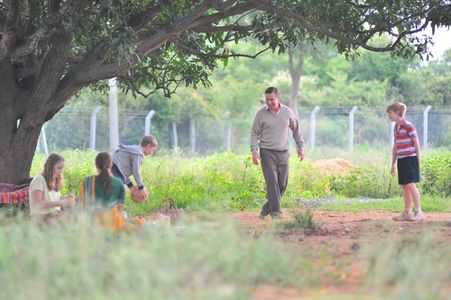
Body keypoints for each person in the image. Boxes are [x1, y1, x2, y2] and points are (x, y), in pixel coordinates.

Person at [250, 87, 305, 219]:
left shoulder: (287, 112)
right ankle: (276, 213)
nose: (269, 102)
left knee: (282, 184)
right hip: (267, 152)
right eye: (267, 100)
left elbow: (296, 130)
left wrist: (300, 147)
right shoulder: (260, 114)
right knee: (272, 182)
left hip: (284, 152)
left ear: (278, 98)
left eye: (272, 99)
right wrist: (254, 151)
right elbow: (254, 133)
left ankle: (266, 208)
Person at [387, 102, 424, 222]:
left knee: (411, 184)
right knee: (404, 186)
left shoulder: (409, 126)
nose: (389, 116)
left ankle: (419, 212)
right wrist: (393, 163)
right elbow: (396, 146)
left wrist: (417, 159)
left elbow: (416, 143)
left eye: (390, 113)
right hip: (401, 159)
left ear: (398, 112)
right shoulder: (395, 128)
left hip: (410, 158)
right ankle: (408, 212)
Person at [79, 152, 126, 231]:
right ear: (111, 165)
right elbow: (120, 208)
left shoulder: (87, 181)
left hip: (93, 225)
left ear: (96, 165)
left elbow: (84, 206)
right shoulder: (119, 183)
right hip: (113, 225)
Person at [29, 153, 75, 222]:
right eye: (59, 168)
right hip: (40, 216)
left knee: (75, 217)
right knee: (70, 219)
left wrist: (65, 198)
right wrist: (60, 203)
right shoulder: (39, 179)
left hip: (52, 213)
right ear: (50, 167)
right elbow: (37, 204)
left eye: (62, 168)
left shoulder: (54, 179)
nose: (61, 171)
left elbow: (52, 198)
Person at [111, 135, 158, 200]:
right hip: (114, 165)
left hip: (113, 164)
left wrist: (130, 185)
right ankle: (111, 207)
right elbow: (135, 171)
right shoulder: (138, 153)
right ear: (148, 146)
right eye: (153, 150)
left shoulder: (136, 149)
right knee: (121, 189)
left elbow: (123, 169)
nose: (152, 152)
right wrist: (141, 187)